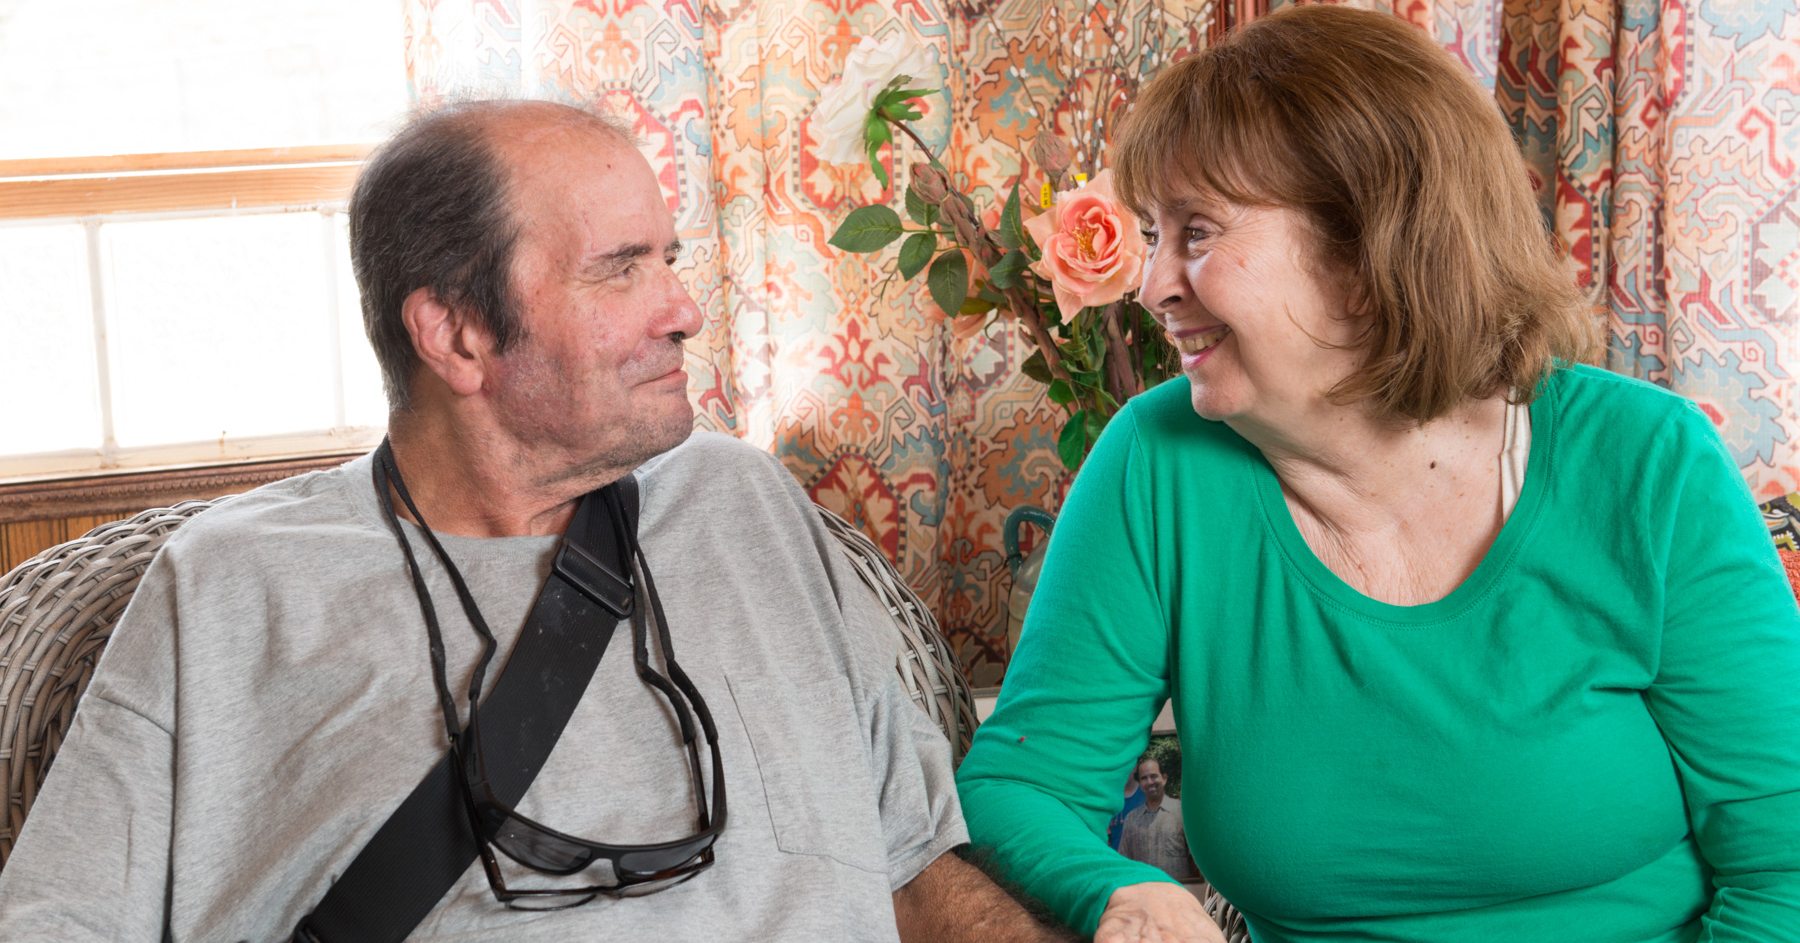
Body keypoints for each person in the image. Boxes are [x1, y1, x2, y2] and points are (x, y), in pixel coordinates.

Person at [0, 99, 1074, 943]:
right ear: (457, 335)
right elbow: (60, 920)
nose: (684, 308)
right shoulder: (231, 584)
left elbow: (913, 874)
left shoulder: (746, 503)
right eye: (619, 270)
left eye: (670, 257)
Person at [955, 5, 1800, 943]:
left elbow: (1786, 871)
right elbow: (1019, 783)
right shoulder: (1157, 463)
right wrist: (1115, 889)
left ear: (1367, 247)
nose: (1153, 285)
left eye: (1196, 233)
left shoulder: (1648, 465)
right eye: (1153, 234)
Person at [1115, 756, 1196, 882]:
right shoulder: (1131, 819)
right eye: (1144, 778)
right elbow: (1125, 864)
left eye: (1153, 776)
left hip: (1178, 893)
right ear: (1140, 784)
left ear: (1164, 779)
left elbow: (1196, 862)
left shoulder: (1183, 812)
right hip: (1145, 896)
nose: (1149, 782)